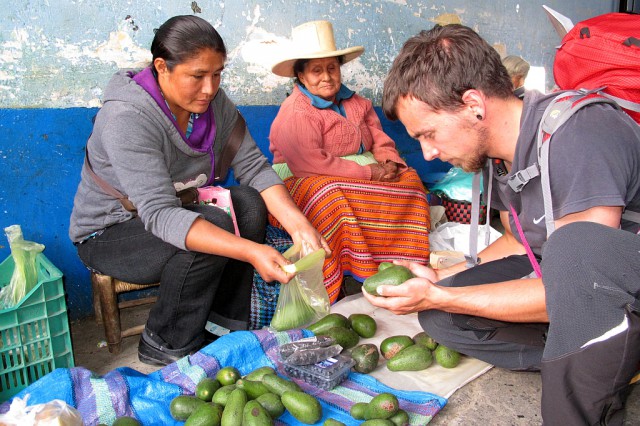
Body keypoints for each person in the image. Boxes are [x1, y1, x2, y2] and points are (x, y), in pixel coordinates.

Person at [364, 23, 640, 425]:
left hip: (606, 285)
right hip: (577, 286)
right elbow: (517, 242)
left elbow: (579, 284)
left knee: (572, 253)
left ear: (474, 103)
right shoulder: (499, 155)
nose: (428, 152)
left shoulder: (580, 133)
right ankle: (603, 356)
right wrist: (439, 283)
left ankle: (595, 373)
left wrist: (442, 296)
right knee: (441, 317)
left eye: (429, 134)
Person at [69, 15, 329, 366]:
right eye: (197, 76)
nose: (210, 88)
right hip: (110, 233)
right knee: (215, 224)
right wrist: (252, 251)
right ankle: (165, 340)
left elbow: (254, 167)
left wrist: (299, 225)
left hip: (173, 215)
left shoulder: (214, 105)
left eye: (217, 73)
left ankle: (222, 325)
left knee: (249, 204)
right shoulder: (127, 117)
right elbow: (161, 215)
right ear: (162, 67)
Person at [268, 20, 431, 302]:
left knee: (412, 180)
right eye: (316, 71)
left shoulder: (357, 102)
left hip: (363, 168)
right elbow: (309, 162)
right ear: (301, 76)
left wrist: (390, 161)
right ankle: (345, 273)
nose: (326, 77)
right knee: (331, 197)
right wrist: (369, 173)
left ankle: (402, 267)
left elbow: (379, 138)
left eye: (332, 68)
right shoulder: (295, 111)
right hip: (306, 175)